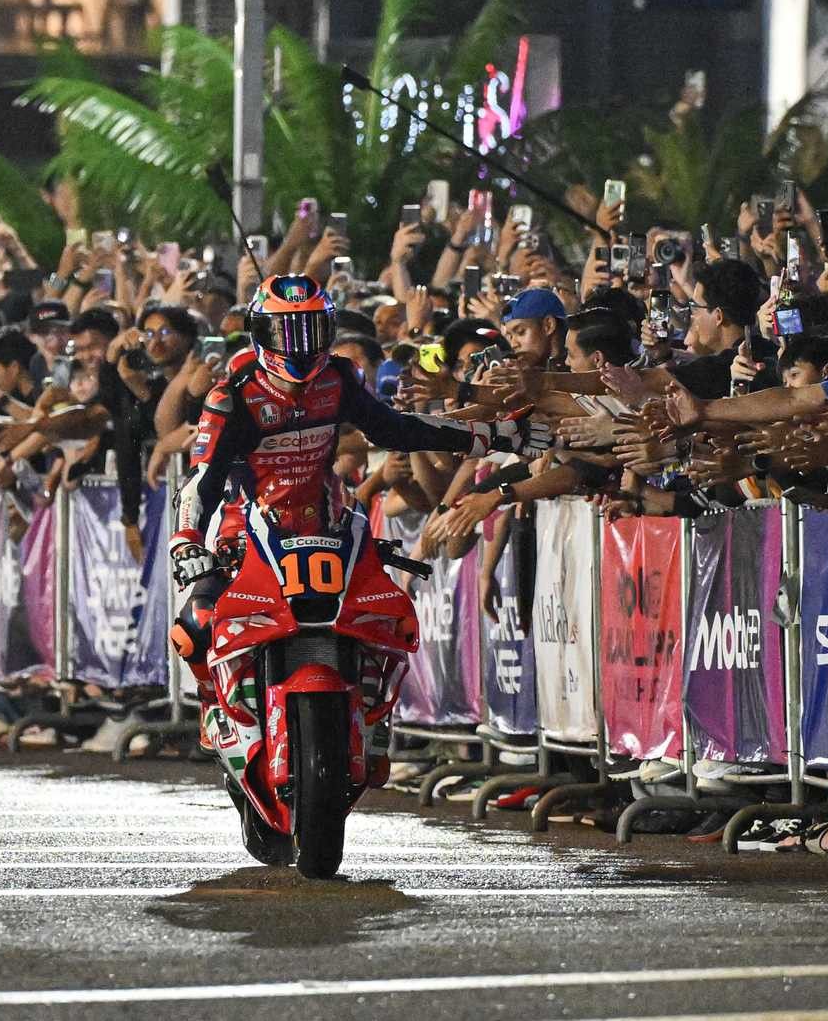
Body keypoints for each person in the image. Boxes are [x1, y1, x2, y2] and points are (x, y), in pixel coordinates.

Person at [166, 275, 550, 783]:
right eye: (286, 333)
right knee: (196, 621)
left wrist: (497, 436)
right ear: (261, 333)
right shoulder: (232, 394)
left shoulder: (339, 378)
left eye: (310, 331)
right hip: (248, 531)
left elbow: (398, 428)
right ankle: (213, 705)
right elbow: (202, 478)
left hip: (329, 525)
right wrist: (187, 542)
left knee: (388, 615)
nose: (300, 347)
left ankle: (372, 716)